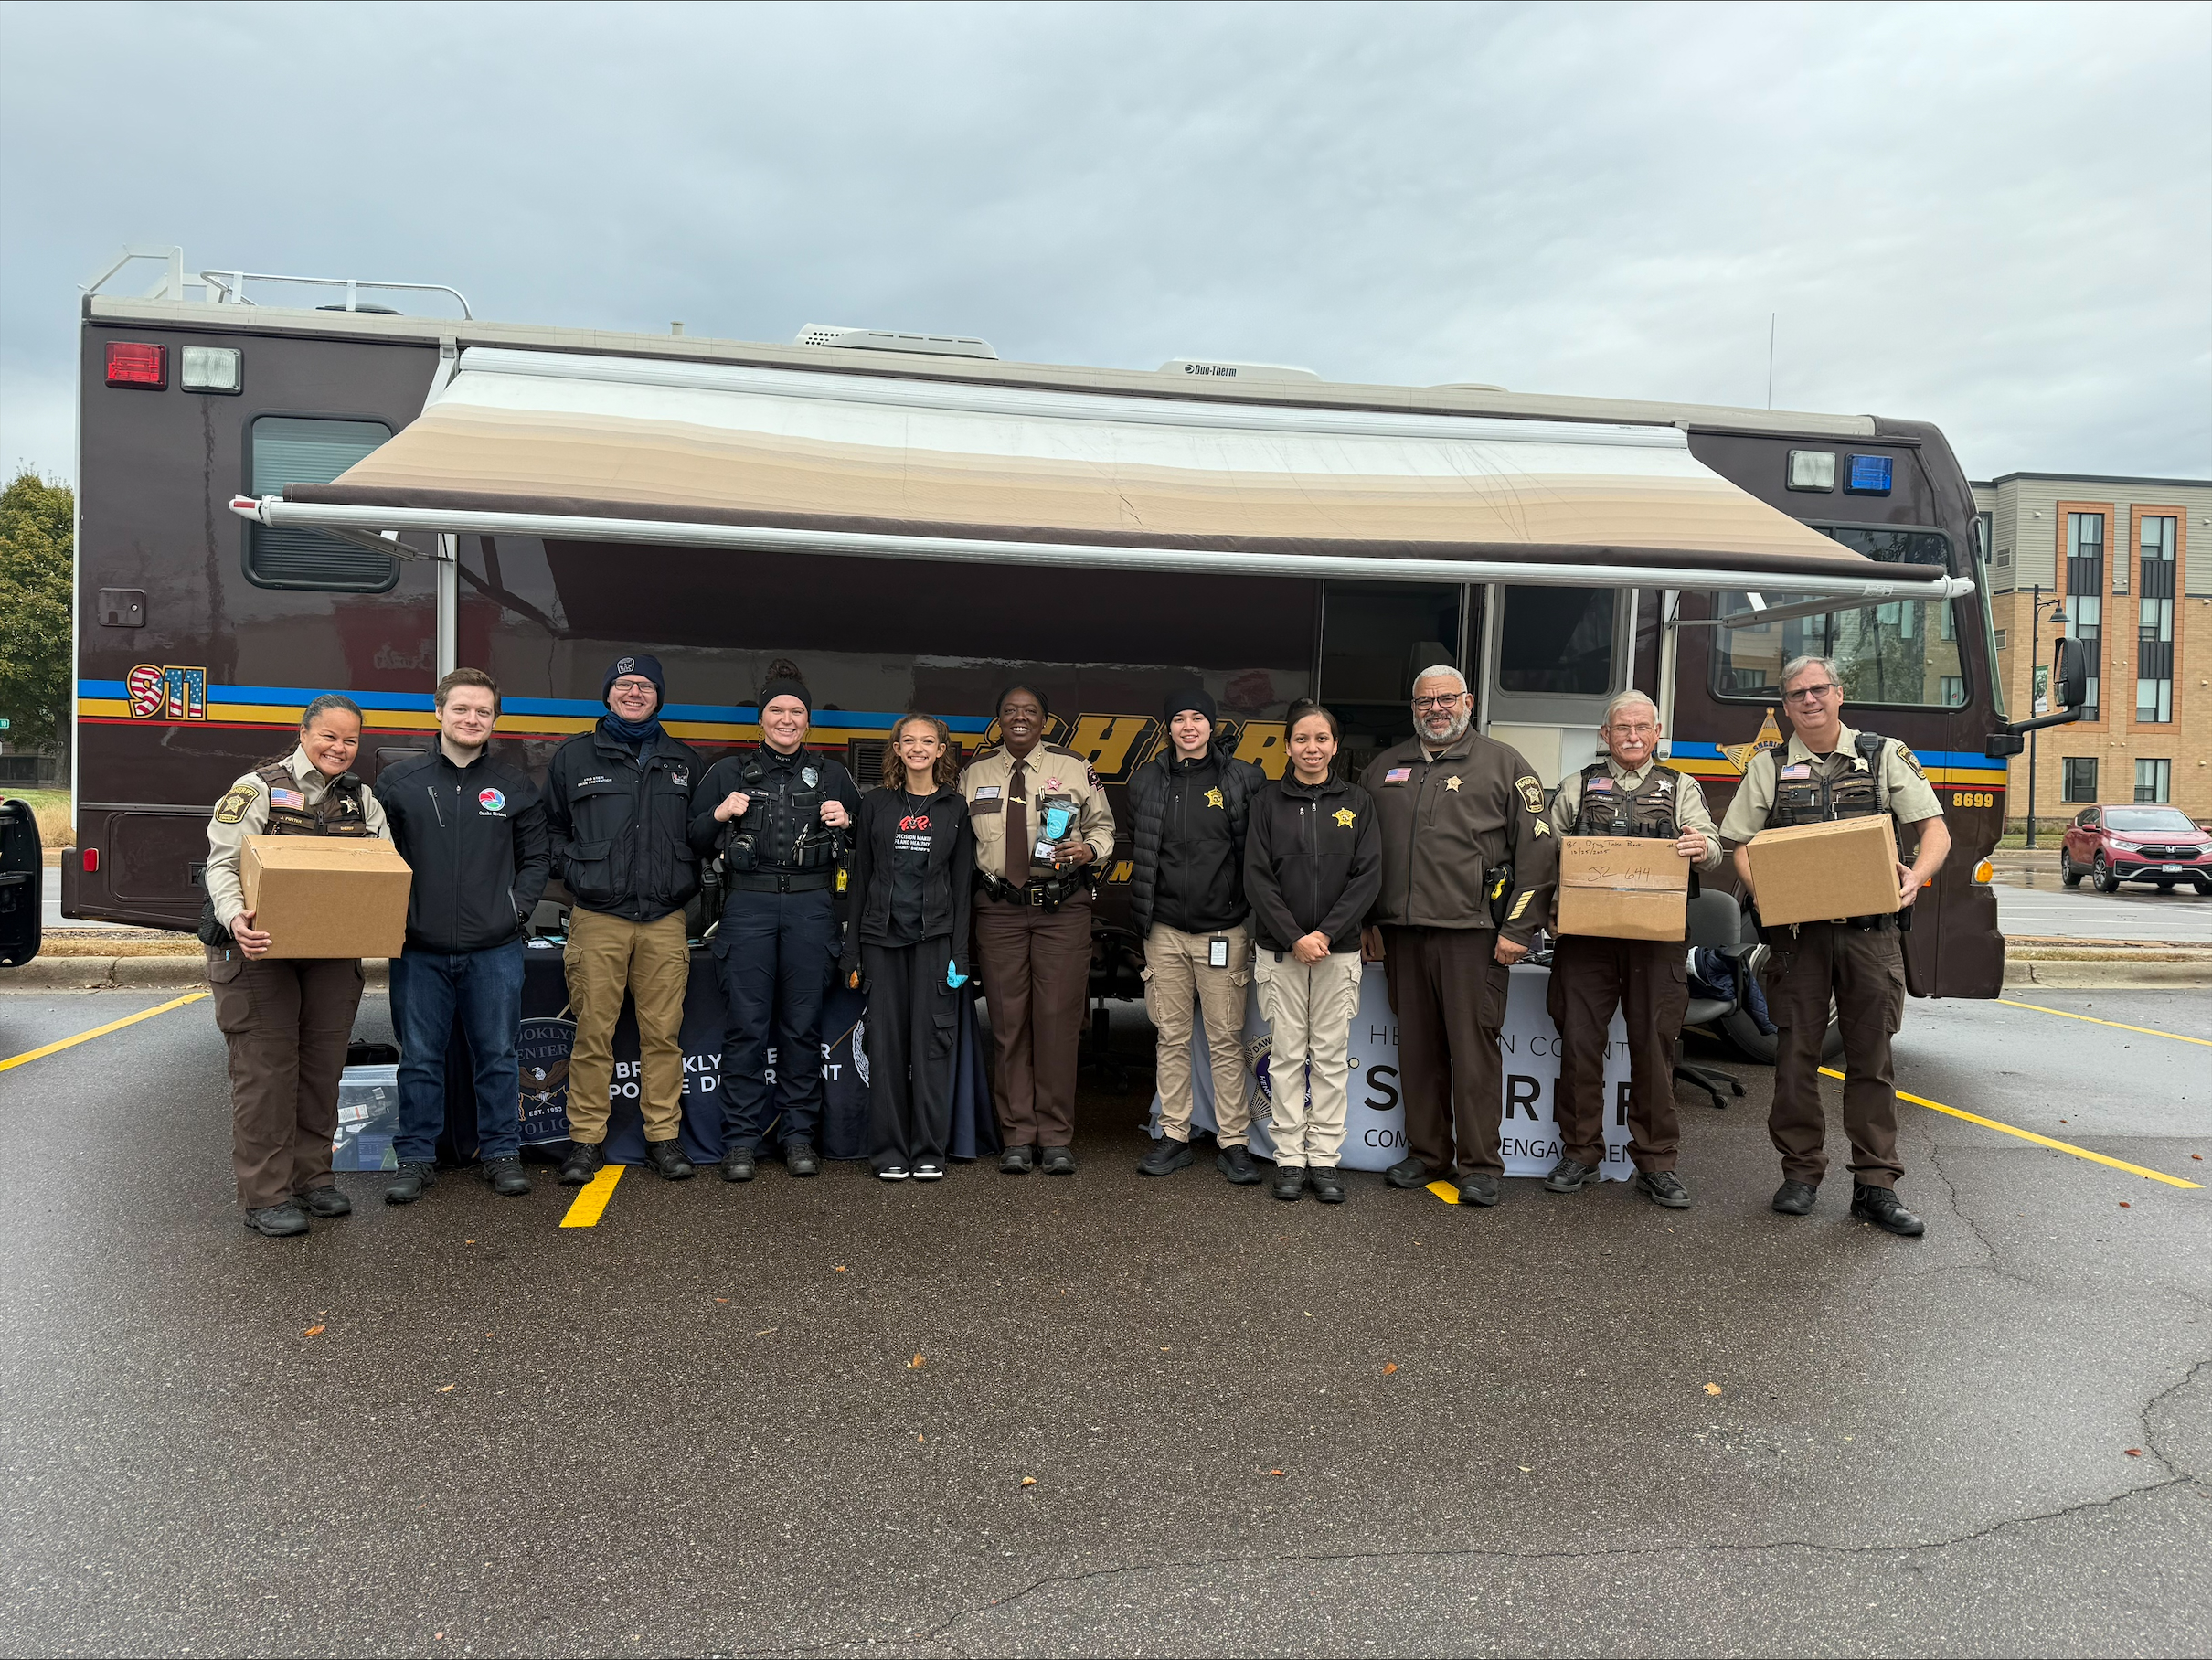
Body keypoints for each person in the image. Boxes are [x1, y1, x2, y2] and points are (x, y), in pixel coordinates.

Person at [1717, 653, 1950, 1237]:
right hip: (1797, 940)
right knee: (1795, 1057)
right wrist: (1766, 893)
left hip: (1871, 936)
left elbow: (1935, 830)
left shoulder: (1882, 755)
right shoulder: (1768, 764)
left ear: (1839, 694)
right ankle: (1800, 1175)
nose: (1810, 701)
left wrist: (1915, 878)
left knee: (1872, 1060)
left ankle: (1876, 1186)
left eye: (1819, 690)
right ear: (1786, 705)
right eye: (1797, 694)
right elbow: (1738, 841)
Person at [1358, 665, 1557, 1208]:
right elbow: (1364, 856)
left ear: (1468, 701)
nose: (1436, 709)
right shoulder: (1383, 768)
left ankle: (1480, 1164)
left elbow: (1539, 856)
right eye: (1425, 701)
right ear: (1414, 708)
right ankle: (1427, 1154)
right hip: (1403, 936)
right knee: (1418, 1052)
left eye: (1446, 699)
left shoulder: (1503, 765)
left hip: (1474, 936)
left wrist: (1520, 926)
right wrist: (1368, 920)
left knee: (1473, 1052)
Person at [198, 695, 390, 1238]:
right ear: (305, 733)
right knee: (266, 1072)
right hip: (259, 949)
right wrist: (237, 919)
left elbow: (382, 867)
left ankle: (314, 1179)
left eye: (351, 740)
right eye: (329, 736)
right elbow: (221, 864)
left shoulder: (363, 802)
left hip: (330, 951)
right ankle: (266, 1194)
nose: (340, 748)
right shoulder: (257, 788)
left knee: (321, 1068)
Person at [374, 668, 550, 1206]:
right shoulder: (399, 783)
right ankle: (416, 1157)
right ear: (439, 712)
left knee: (497, 1054)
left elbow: (536, 857)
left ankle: (501, 1154)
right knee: (420, 1057)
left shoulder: (515, 785)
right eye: (461, 709)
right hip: (418, 949)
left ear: (494, 719)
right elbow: (378, 860)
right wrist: (397, 920)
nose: (471, 719)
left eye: (483, 712)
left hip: (494, 949)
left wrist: (514, 910)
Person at [1542, 689, 1722, 1209]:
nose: (1633, 737)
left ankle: (1657, 1162)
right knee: (1578, 1045)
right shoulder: (1576, 786)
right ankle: (1580, 1151)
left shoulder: (1680, 787)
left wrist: (1699, 846)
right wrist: (1552, 904)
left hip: (1656, 941)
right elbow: (1547, 851)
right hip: (1585, 942)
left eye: (1643, 727)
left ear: (1657, 733)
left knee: (1653, 1047)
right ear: (1605, 735)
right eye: (1622, 728)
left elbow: (1712, 848)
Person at [688, 660, 859, 1182]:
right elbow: (693, 838)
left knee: (802, 1028)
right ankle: (740, 1140)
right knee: (746, 1027)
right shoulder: (725, 771)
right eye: (777, 710)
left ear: (809, 722)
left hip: (811, 909)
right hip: (749, 908)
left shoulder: (834, 775)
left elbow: (860, 851)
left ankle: (798, 1135)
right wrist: (719, 815)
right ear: (761, 719)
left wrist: (846, 823)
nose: (787, 719)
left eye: (797, 711)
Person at [545, 653, 704, 1186]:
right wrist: (574, 870)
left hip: (663, 918)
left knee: (664, 1036)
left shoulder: (683, 759)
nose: (634, 693)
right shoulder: (573, 757)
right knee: (594, 1034)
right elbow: (549, 829)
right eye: (624, 684)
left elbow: (700, 834)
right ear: (608, 693)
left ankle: (663, 1137)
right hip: (598, 917)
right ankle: (585, 1142)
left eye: (644, 686)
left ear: (659, 696)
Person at [961, 683, 1117, 1176]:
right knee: (1008, 1026)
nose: (1020, 718)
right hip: (999, 911)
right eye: (1010, 711)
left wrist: (1090, 850)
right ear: (999, 720)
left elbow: (1105, 828)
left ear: (1045, 721)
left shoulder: (1073, 769)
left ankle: (1055, 1136)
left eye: (1030, 711)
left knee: (1056, 1023)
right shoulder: (974, 774)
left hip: (1061, 911)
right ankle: (1016, 1135)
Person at [1243, 700, 1381, 1204]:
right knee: (1284, 1057)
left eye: (1321, 739)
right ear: (1287, 746)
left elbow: (1369, 876)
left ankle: (1323, 1160)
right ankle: (1288, 1160)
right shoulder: (1266, 802)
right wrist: (1293, 936)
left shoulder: (1359, 803)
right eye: (1302, 739)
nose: (1312, 748)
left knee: (1327, 1058)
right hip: (1281, 953)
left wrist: (1325, 934)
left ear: (1335, 746)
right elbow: (1256, 877)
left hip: (1336, 953)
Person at [1129, 687, 1268, 1184]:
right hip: (1163, 930)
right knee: (1171, 1035)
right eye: (1179, 719)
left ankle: (1234, 1141)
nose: (1189, 726)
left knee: (1226, 1038)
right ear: (1168, 727)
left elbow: (1254, 851)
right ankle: (1175, 1135)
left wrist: (1243, 911)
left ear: (1212, 725)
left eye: (1198, 718)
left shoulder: (1242, 778)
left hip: (1223, 930)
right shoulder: (1147, 780)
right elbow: (1143, 849)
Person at [838, 714, 975, 1181]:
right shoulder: (874, 805)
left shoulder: (956, 809)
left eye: (928, 742)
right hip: (880, 941)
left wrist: (960, 955)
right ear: (895, 748)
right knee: (887, 1047)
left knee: (933, 1047)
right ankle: (891, 1151)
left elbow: (962, 889)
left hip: (934, 943)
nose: (918, 748)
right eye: (908, 740)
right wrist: (852, 952)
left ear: (942, 751)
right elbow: (860, 881)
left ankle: (929, 1151)